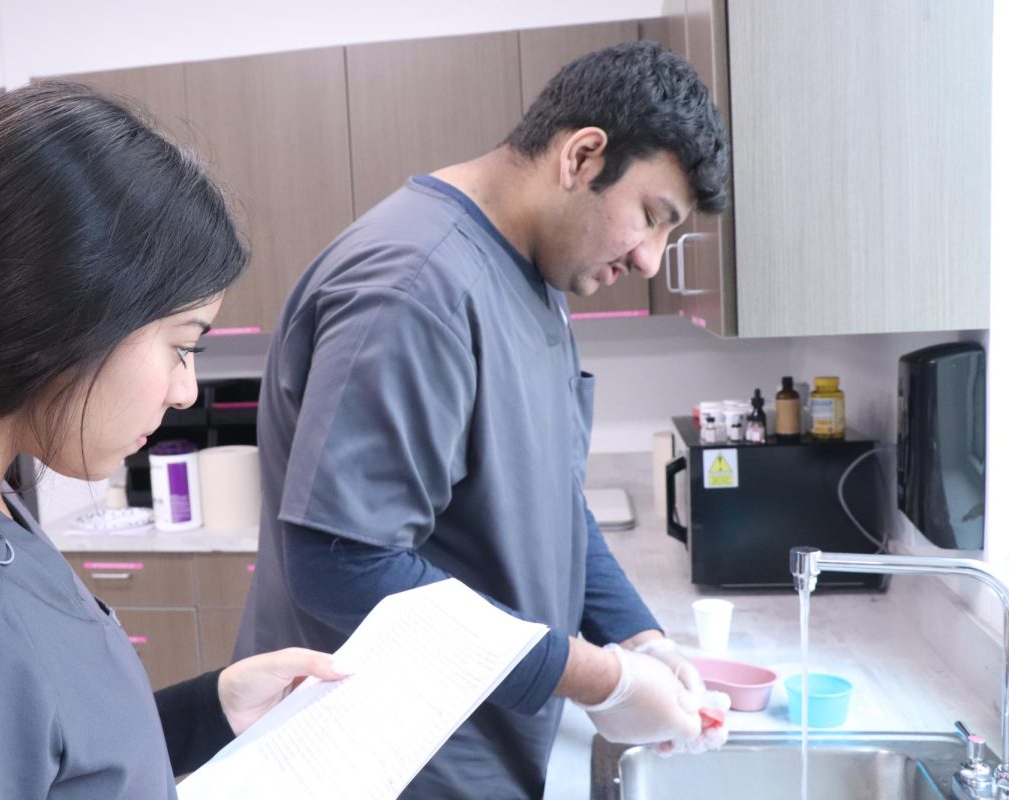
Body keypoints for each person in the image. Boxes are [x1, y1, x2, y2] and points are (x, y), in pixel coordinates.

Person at [0, 81, 350, 799]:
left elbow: (24, 747)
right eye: (181, 345)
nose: (185, 389)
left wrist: (210, 710)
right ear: (68, 311)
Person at [233, 40, 731, 798]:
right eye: (652, 218)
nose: (653, 262)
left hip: (477, 743)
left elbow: (551, 502)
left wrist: (640, 639)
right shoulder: (415, 286)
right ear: (583, 156)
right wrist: (603, 680)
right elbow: (340, 564)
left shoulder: (537, 282)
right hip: (384, 764)